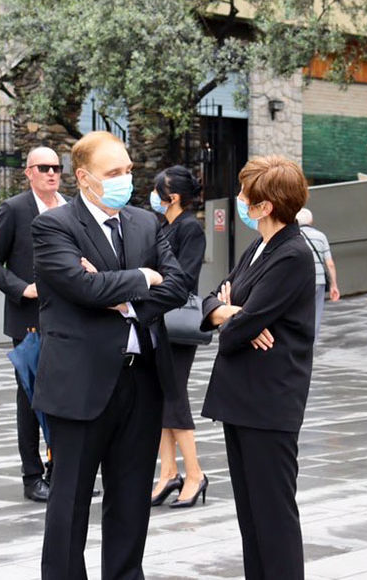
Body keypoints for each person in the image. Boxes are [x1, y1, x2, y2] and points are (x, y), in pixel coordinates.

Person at [30, 131, 188, 580]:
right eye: (114, 172)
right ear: (84, 177)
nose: (125, 179)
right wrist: (143, 277)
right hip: (80, 383)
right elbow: (81, 287)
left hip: (142, 381)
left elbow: (178, 285)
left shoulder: (145, 223)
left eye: (129, 170)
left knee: (131, 499)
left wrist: (120, 298)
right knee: (70, 501)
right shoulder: (55, 226)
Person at [200, 155, 315, 579]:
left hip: (269, 402)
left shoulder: (293, 254)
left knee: (273, 517)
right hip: (241, 399)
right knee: (251, 518)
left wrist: (237, 318)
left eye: (244, 193)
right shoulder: (259, 246)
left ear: (264, 206)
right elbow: (213, 298)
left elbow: (239, 329)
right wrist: (230, 312)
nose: (239, 198)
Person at [0, 146, 67, 503]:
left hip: (68, 319)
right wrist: (22, 288)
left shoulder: (70, 208)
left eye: (57, 167)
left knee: (65, 397)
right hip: (30, 322)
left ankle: (60, 471)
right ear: (29, 172)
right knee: (31, 398)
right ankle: (32, 476)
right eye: (43, 167)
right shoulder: (14, 209)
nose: (52, 173)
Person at [148, 166, 209, 508]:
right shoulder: (164, 225)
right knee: (160, 396)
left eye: (157, 192)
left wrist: (152, 279)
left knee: (173, 396)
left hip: (176, 323)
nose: (153, 197)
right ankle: (169, 472)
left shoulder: (190, 228)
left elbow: (184, 278)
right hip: (158, 319)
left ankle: (195, 473)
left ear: (172, 198)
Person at [296, 208, 340, 341]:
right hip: (318, 280)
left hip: (299, 282)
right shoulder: (321, 236)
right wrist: (334, 285)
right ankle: (311, 345)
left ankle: (298, 342)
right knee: (316, 315)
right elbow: (330, 263)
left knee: (298, 313)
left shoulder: (294, 237)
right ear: (311, 221)